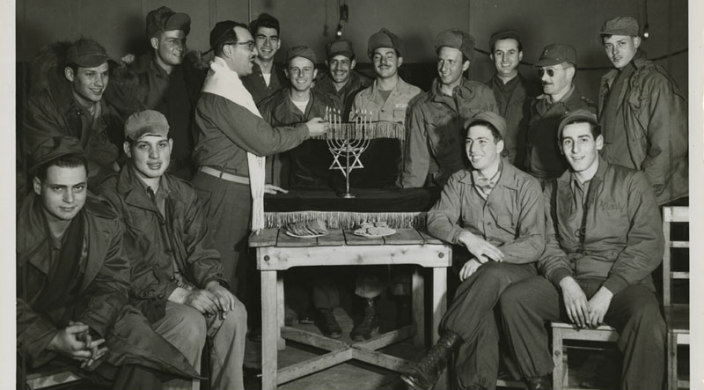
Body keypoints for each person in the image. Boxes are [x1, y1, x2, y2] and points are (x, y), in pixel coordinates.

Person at [499, 110, 666, 390]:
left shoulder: (631, 182)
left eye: (583, 140)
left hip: (622, 285)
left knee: (648, 319)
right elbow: (548, 243)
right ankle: (539, 380)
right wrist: (565, 282)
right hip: (572, 282)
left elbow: (647, 244)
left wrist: (608, 290)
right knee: (515, 299)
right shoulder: (552, 189)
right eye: (567, 142)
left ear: (599, 143)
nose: (575, 150)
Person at [17, 136, 199, 389]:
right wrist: (51, 339)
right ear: (38, 186)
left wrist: (91, 329)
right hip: (23, 329)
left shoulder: (102, 220)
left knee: (144, 362)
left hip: (80, 319)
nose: (71, 199)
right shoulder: (13, 223)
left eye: (78, 188)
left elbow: (113, 283)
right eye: (58, 188)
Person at [97, 110, 248, 389]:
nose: (155, 156)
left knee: (234, 311)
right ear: (128, 149)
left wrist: (213, 284)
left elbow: (201, 249)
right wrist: (181, 295)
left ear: (171, 146)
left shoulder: (183, 193)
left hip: (185, 289)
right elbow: (120, 266)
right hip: (137, 300)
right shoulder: (109, 197)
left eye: (161, 145)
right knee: (189, 322)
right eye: (144, 146)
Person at [400, 111, 545, 390]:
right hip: (475, 269)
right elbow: (436, 218)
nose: (473, 150)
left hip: (517, 265)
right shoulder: (459, 181)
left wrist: (486, 258)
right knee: (482, 311)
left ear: (500, 146)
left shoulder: (526, 184)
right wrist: (465, 236)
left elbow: (535, 242)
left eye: (482, 142)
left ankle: (440, 352)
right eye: (469, 142)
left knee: (488, 277)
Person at [190, 20, 327, 299]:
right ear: (228, 50)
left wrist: (252, 184)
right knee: (220, 276)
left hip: (230, 188)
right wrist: (306, 129)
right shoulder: (221, 93)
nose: (254, 52)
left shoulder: (227, 86)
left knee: (232, 274)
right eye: (248, 45)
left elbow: (231, 149)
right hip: (222, 196)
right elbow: (265, 142)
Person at [347, 28, 422, 340]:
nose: (383, 61)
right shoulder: (360, 97)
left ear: (400, 60)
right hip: (369, 182)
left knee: (404, 240)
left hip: (404, 179)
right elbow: (350, 143)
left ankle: (403, 309)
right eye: (377, 57)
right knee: (368, 239)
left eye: (389, 56)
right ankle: (370, 310)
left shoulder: (417, 95)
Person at [597, 16, 688, 205]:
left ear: (636, 42)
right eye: (608, 46)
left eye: (621, 43)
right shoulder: (610, 82)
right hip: (619, 189)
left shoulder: (655, 82)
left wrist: (644, 191)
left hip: (652, 194)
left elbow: (669, 145)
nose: (615, 52)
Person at [106, 6, 201, 180]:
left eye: (182, 40)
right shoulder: (133, 78)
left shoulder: (193, 76)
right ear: (155, 43)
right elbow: (117, 127)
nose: (180, 47)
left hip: (186, 175)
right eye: (172, 41)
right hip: (145, 174)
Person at [401, 29, 498, 188]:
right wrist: (408, 201)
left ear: (465, 65)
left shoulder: (483, 95)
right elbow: (416, 163)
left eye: (451, 61)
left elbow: (499, 146)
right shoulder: (422, 106)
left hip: (484, 186)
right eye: (441, 61)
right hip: (445, 188)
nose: (443, 68)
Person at [24, 38, 120, 189]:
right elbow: (58, 161)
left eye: (104, 74)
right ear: (70, 74)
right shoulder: (45, 106)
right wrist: (110, 171)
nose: (100, 83)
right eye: (90, 74)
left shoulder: (105, 106)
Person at [259, 45, 342, 189]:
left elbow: (339, 151)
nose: (301, 75)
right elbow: (258, 146)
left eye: (306, 69)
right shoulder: (268, 107)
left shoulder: (330, 105)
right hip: (280, 183)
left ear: (315, 73)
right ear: (286, 72)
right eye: (295, 69)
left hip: (322, 187)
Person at [524, 43, 593, 183]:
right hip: (530, 182)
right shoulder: (535, 105)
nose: (543, 78)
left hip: (560, 185)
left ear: (570, 73)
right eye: (541, 72)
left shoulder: (583, 111)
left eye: (550, 72)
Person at [485, 29, 537, 167]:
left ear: (520, 55)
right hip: (488, 167)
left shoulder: (536, 93)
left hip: (524, 170)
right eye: (499, 53)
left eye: (511, 52)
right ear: (491, 57)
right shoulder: (480, 93)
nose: (505, 59)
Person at [313, 39, 372, 118]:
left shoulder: (367, 86)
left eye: (344, 62)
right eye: (334, 62)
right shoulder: (314, 87)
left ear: (352, 64)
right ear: (327, 64)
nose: (338, 68)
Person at [241, 13, 287, 104]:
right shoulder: (241, 75)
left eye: (273, 39)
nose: (267, 44)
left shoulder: (286, 77)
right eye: (262, 37)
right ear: (253, 42)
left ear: (278, 44)